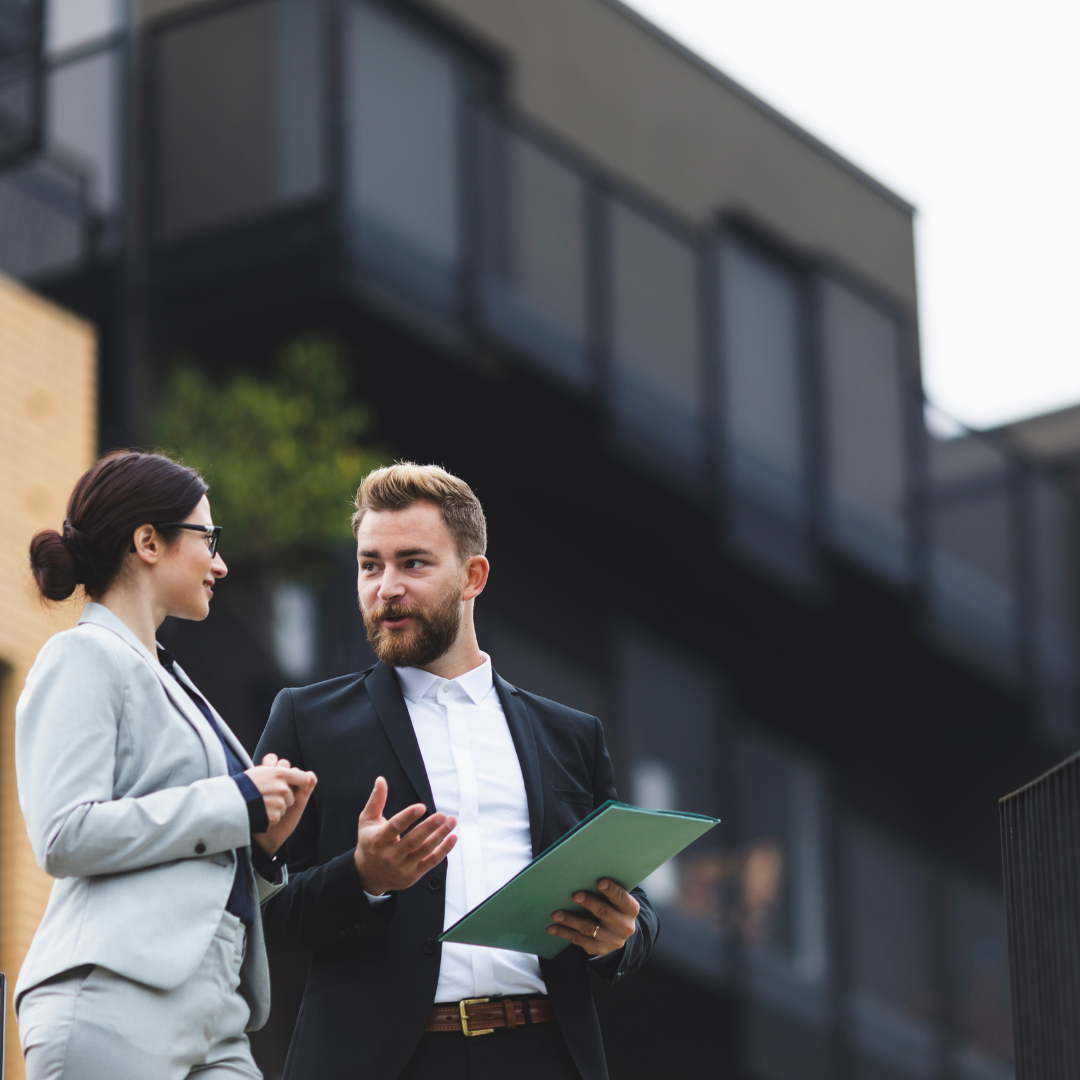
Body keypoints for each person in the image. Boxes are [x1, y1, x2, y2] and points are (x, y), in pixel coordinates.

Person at [256, 463, 658, 1080]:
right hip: (383, 1063)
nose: (386, 586)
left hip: (544, 1053)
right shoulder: (306, 720)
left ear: (473, 576)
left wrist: (622, 935)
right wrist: (361, 877)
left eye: (412, 563)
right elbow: (253, 911)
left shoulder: (571, 736)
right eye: (370, 565)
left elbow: (632, 903)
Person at [14, 451, 318, 1080]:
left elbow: (195, 866)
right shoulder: (81, 656)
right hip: (113, 1000)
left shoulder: (171, 679)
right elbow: (62, 833)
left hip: (219, 1017)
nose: (222, 562)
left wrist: (259, 847)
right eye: (209, 539)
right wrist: (236, 803)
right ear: (148, 541)